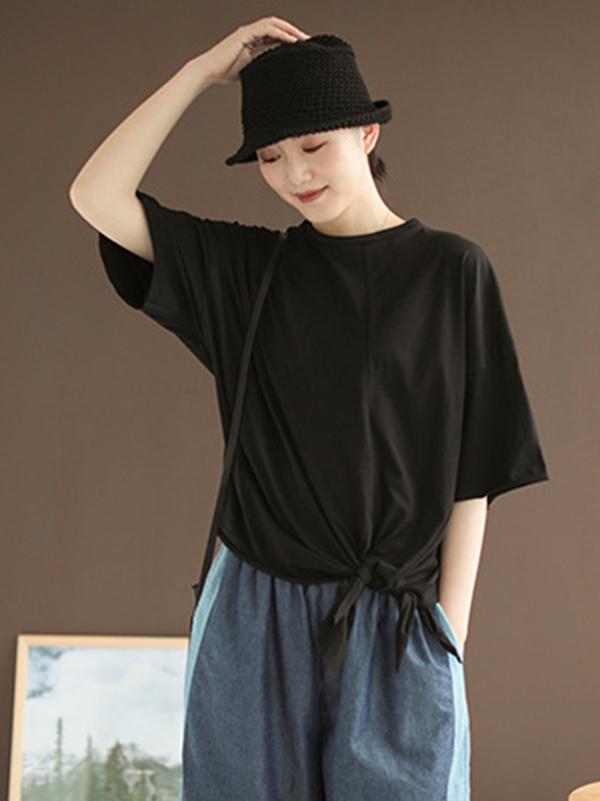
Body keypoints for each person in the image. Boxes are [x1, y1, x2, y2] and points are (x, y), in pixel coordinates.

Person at [69, 18, 550, 801]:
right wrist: (200, 71)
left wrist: (448, 636)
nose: (294, 173)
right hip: (254, 613)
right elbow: (94, 195)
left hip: (399, 620)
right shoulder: (248, 273)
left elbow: (477, 469)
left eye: (313, 146)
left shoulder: (453, 271)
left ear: (367, 132)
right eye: (269, 156)